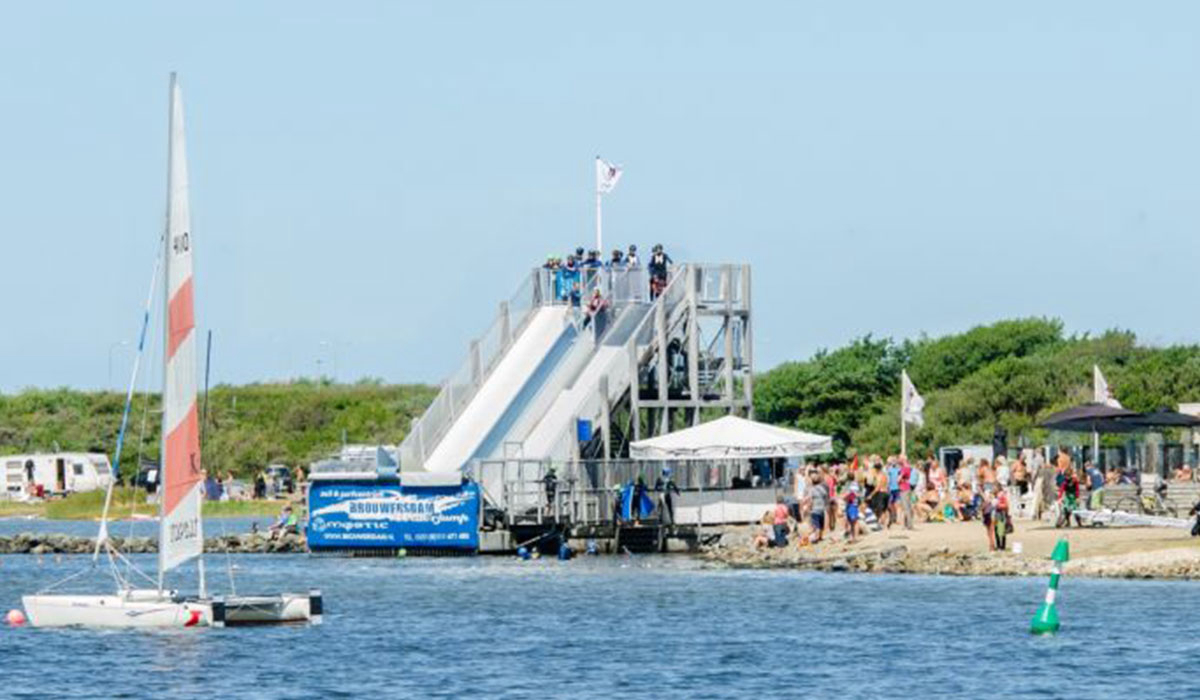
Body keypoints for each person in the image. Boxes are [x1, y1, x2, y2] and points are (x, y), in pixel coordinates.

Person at [806, 472, 828, 544]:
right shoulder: (821, 488)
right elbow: (825, 495)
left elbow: (810, 500)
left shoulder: (812, 489)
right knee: (821, 524)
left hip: (815, 509)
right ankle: (821, 537)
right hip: (821, 509)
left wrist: (809, 508)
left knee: (816, 525)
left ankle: (816, 538)